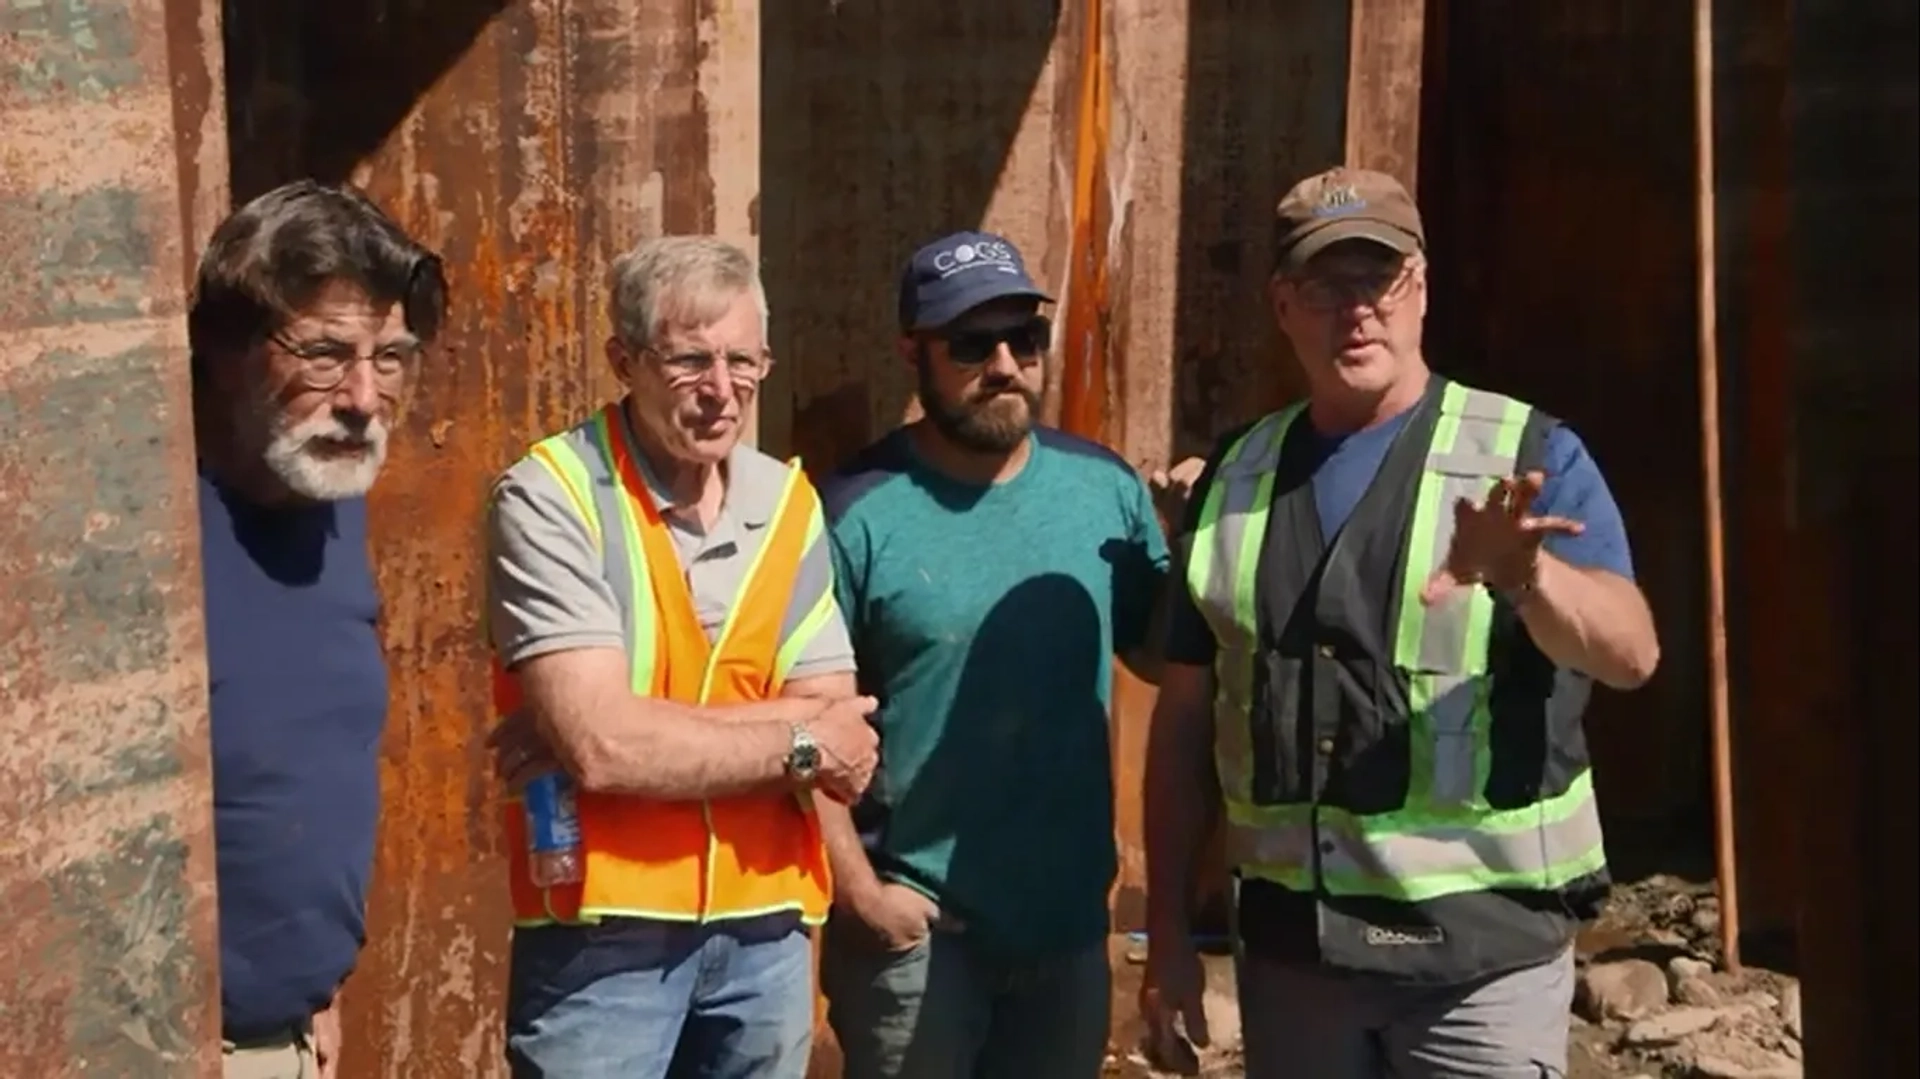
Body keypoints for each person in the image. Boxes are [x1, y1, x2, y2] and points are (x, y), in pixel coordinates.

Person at [1140, 166, 1662, 1078]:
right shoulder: (1236, 477)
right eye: (1325, 287)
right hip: (1298, 965)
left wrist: (1527, 574)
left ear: (1418, 288)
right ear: (1282, 305)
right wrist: (1170, 938)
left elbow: (1630, 654)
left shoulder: (1525, 453)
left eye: (1378, 280)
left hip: (1478, 964)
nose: (1358, 312)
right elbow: (1185, 724)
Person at [481, 234, 882, 1078]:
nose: (722, 390)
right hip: (606, 938)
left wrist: (633, 729)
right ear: (622, 360)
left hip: (766, 926)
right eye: (690, 360)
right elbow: (607, 747)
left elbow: (845, 725)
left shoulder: (788, 502)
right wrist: (797, 738)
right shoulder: (553, 493)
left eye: (744, 360)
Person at [814, 230, 1189, 1079]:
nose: (1006, 364)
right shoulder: (855, 512)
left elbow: (1161, 657)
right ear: (913, 351)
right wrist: (864, 898)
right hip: (919, 942)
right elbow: (802, 723)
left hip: (1065, 934)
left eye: (1026, 339)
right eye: (972, 344)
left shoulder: (1104, 487)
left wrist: (1191, 550)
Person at [190, 179, 448, 1079]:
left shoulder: (327, 495)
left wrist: (308, 997)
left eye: (390, 357)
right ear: (226, 352)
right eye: (326, 353)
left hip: (288, 1042)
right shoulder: (148, 539)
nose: (365, 397)